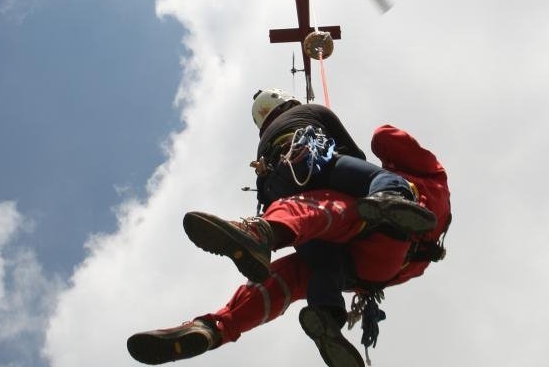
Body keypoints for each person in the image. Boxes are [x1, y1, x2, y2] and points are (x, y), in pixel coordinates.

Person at [127, 93, 451, 366]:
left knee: (306, 251)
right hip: (385, 259)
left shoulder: (264, 148)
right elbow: (366, 149)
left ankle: (220, 323)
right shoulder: (433, 179)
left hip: (337, 237)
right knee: (335, 216)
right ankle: (314, 301)